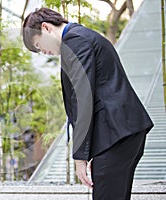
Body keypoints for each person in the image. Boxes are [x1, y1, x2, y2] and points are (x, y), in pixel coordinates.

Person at [22, 8, 153, 200]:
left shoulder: (75, 41)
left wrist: (80, 157)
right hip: (119, 133)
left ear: (46, 28)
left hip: (117, 135)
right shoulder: (82, 36)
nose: (43, 52)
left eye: (39, 45)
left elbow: (83, 98)